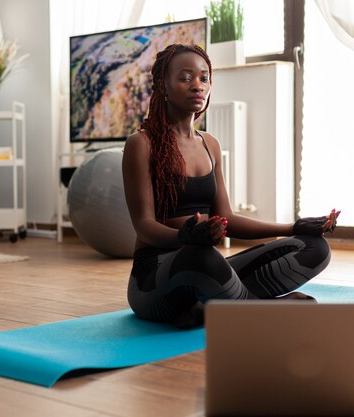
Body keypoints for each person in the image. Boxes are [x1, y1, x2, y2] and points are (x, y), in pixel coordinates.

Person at [122, 43, 340, 328]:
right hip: (154, 283)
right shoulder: (142, 144)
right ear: (163, 85)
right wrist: (185, 238)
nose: (197, 86)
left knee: (314, 247)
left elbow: (228, 220)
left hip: (204, 267)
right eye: (185, 78)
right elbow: (144, 226)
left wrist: (292, 227)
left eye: (204, 78)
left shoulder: (209, 144)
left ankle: (210, 308)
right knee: (202, 257)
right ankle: (259, 310)